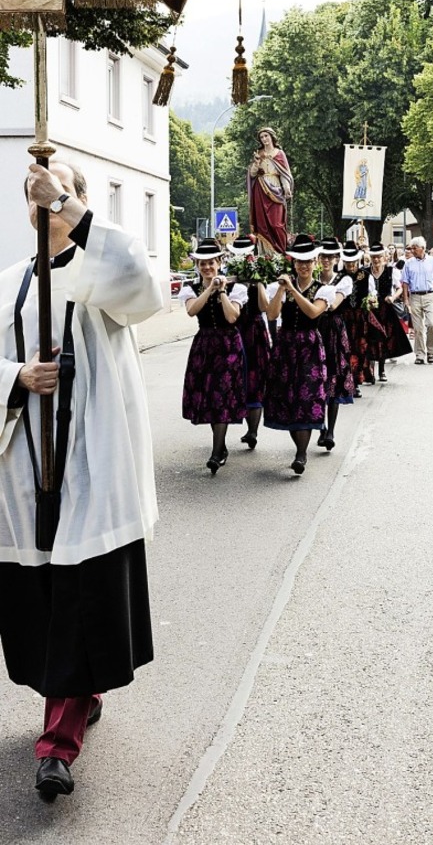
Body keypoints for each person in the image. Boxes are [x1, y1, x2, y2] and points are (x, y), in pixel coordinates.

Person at [0, 161, 162, 800]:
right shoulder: (11, 285)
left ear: (81, 199)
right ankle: (78, 693)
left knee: (76, 600)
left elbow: (145, 286)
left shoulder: (104, 274)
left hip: (91, 474)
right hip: (25, 477)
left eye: (59, 190)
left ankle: (55, 747)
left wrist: (63, 201)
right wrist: (16, 379)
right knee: (45, 608)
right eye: (33, 194)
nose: (41, 203)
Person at [264, 234, 329, 474]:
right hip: (286, 346)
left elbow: (313, 312)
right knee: (288, 397)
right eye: (300, 261)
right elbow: (271, 315)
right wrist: (281, 291)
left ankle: (301, 454)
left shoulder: (324, 289)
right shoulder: (281, 286)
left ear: (315, 262)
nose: (304, 265)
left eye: (308, 261)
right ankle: (298, 447)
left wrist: (292, 288)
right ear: (293, 263)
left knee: (307, 396)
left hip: (309, 346)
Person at [181, 239, 248, 474]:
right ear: (197, 265)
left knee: (222, 395)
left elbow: (232, 317)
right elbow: (192, 310)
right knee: (209, 396)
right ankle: (220, 447)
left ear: (220, 263)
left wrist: (221, 291)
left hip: (228, 344)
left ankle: (217, 451)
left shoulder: (235, 288)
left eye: (211, 262)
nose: (207, 267)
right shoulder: (190, 287)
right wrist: (209, 288)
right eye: (202, 263)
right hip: (205, 345)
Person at [227, 234, 271, 451]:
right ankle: (246, 426)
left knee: (255, 378)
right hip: (233, 329)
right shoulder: (228, 276)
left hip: (253, 330)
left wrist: (258, 281)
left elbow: (264, 307)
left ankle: (252, 430)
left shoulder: (258, 274)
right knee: (236, 379)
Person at [316, 237, 354, 450]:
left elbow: (333, 304)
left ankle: (330, 430)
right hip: (316, 326)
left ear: (337, 258)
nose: (326, 260)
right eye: (323, 256)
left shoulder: (344, 280)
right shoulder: (312, 277)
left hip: (334, 329)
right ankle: (320, 425)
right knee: (316, 377)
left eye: (330, 256)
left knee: (334, 378)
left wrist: (317, 297)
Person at [367, 243, 412, 379]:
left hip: (385, 309)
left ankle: (381, 370)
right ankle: (369, 370)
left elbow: (399, 287)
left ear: (384, 257)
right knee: (369, 338)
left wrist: (392, 297)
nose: (376, 260)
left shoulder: (391, 271)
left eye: (379, 257)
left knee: (383, 338)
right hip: (370, 308)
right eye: (374, 257)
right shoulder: (365, 272)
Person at [247, 127, 293, 255]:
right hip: (261, 189)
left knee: (277, 224)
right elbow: (252, 174)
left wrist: (286, 187)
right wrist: (256, 164)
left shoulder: (279, 153)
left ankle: (280, 253)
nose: (264, 139)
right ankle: (265, 254)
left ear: (272, 137)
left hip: (276, 189)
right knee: (263, 225)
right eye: (262, 137)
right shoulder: (259, 153)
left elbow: (285, 173)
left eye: (266, 136)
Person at [338, 239, 376, 393]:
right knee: (344, 349)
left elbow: (373, 294)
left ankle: (356, 382)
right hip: (344, 317)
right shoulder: (338, 276)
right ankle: (346, 380)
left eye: (353, 262)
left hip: (360, 318)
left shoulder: (366, 276)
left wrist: (372, 300)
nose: (351, 265)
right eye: (348, 262)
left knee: (360, 349)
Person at [400, 235, 433, 365]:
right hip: (414, 296)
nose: (412, 251)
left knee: (432, 324)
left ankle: (431, 351)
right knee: (418, 328)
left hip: (429, 295)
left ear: (423, 248)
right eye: (411, 248)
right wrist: (406, 300)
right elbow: (405, 283)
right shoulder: (408, 263)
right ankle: (419, 354)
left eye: (415, 248)